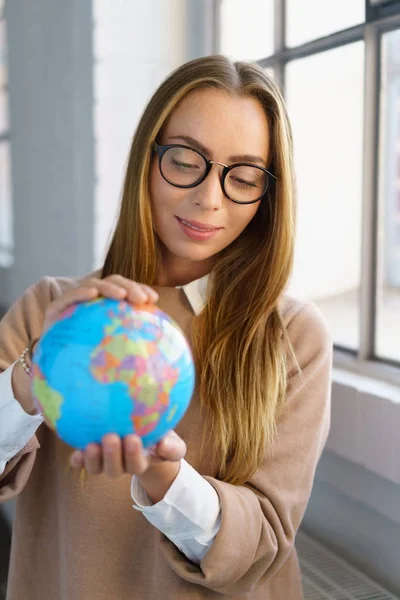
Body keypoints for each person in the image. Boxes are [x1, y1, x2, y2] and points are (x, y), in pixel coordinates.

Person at [0, 55, 332, 600]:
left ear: (268, 195)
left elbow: (265, 544)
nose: (209, 198)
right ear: (147, 158)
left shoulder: (292, 336)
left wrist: (163, 475)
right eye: (184, 161)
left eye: (243, 177)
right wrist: (36, 371)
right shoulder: (54, 310)